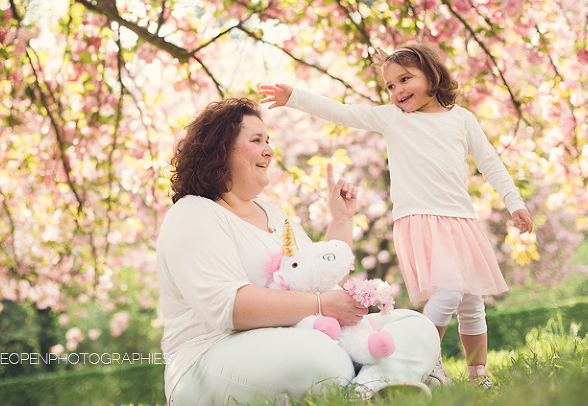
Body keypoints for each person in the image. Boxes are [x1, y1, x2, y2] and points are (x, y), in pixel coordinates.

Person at [259, 42, 534, 389]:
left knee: (471, 301)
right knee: (449, 292)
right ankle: (425, 361)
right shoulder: (393, 118)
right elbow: (343, 112)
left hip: (461, 221)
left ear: (432, 75)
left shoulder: (462, 119)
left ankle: (478, 372)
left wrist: (514, 202)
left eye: (405, 79)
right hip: (421, 220)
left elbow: (490, 162)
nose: (397, 91)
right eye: (390, 86)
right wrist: (294, 97)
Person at [157, 97, 441, 405]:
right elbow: (229, 307)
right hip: (210, 355)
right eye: (256, 140)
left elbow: (320, 283)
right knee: (323, 359)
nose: (269, 150)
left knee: (415, 326)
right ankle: (377, 379)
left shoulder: (274, 214)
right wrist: (320, 305)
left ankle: (366, 393)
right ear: (220, 150)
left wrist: (342, 220)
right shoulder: (193, 213)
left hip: (298, 338)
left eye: (268, 140)